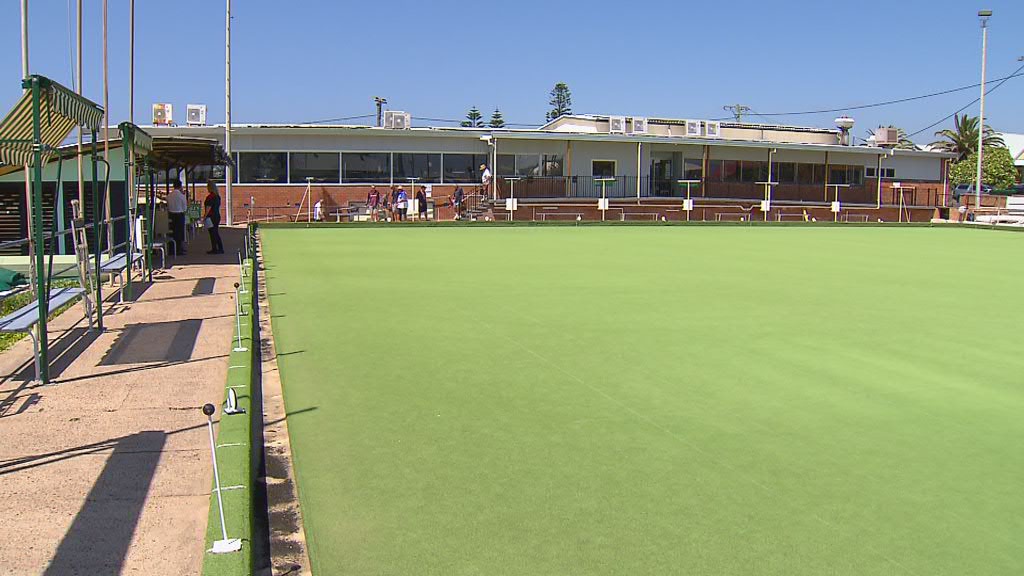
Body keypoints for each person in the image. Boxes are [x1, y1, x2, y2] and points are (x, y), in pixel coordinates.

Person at [167, 180, 188, 255]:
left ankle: (171, 249)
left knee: (172, 232)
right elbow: (185, 208)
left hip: (171, 215)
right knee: (179, 232)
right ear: (180, 186)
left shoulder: (169, 195)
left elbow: (168, 205)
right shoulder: (182, 196)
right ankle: (179, 249)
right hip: (179, 214)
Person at [203, 180, 224, 254]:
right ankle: (220, 248)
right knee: (216, 232)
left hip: (211, 217)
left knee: (212, 233)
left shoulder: (210, 197)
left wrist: (204, 216)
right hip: (217, 215)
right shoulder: (217, 196)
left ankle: (214, 248)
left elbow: (208, 208)